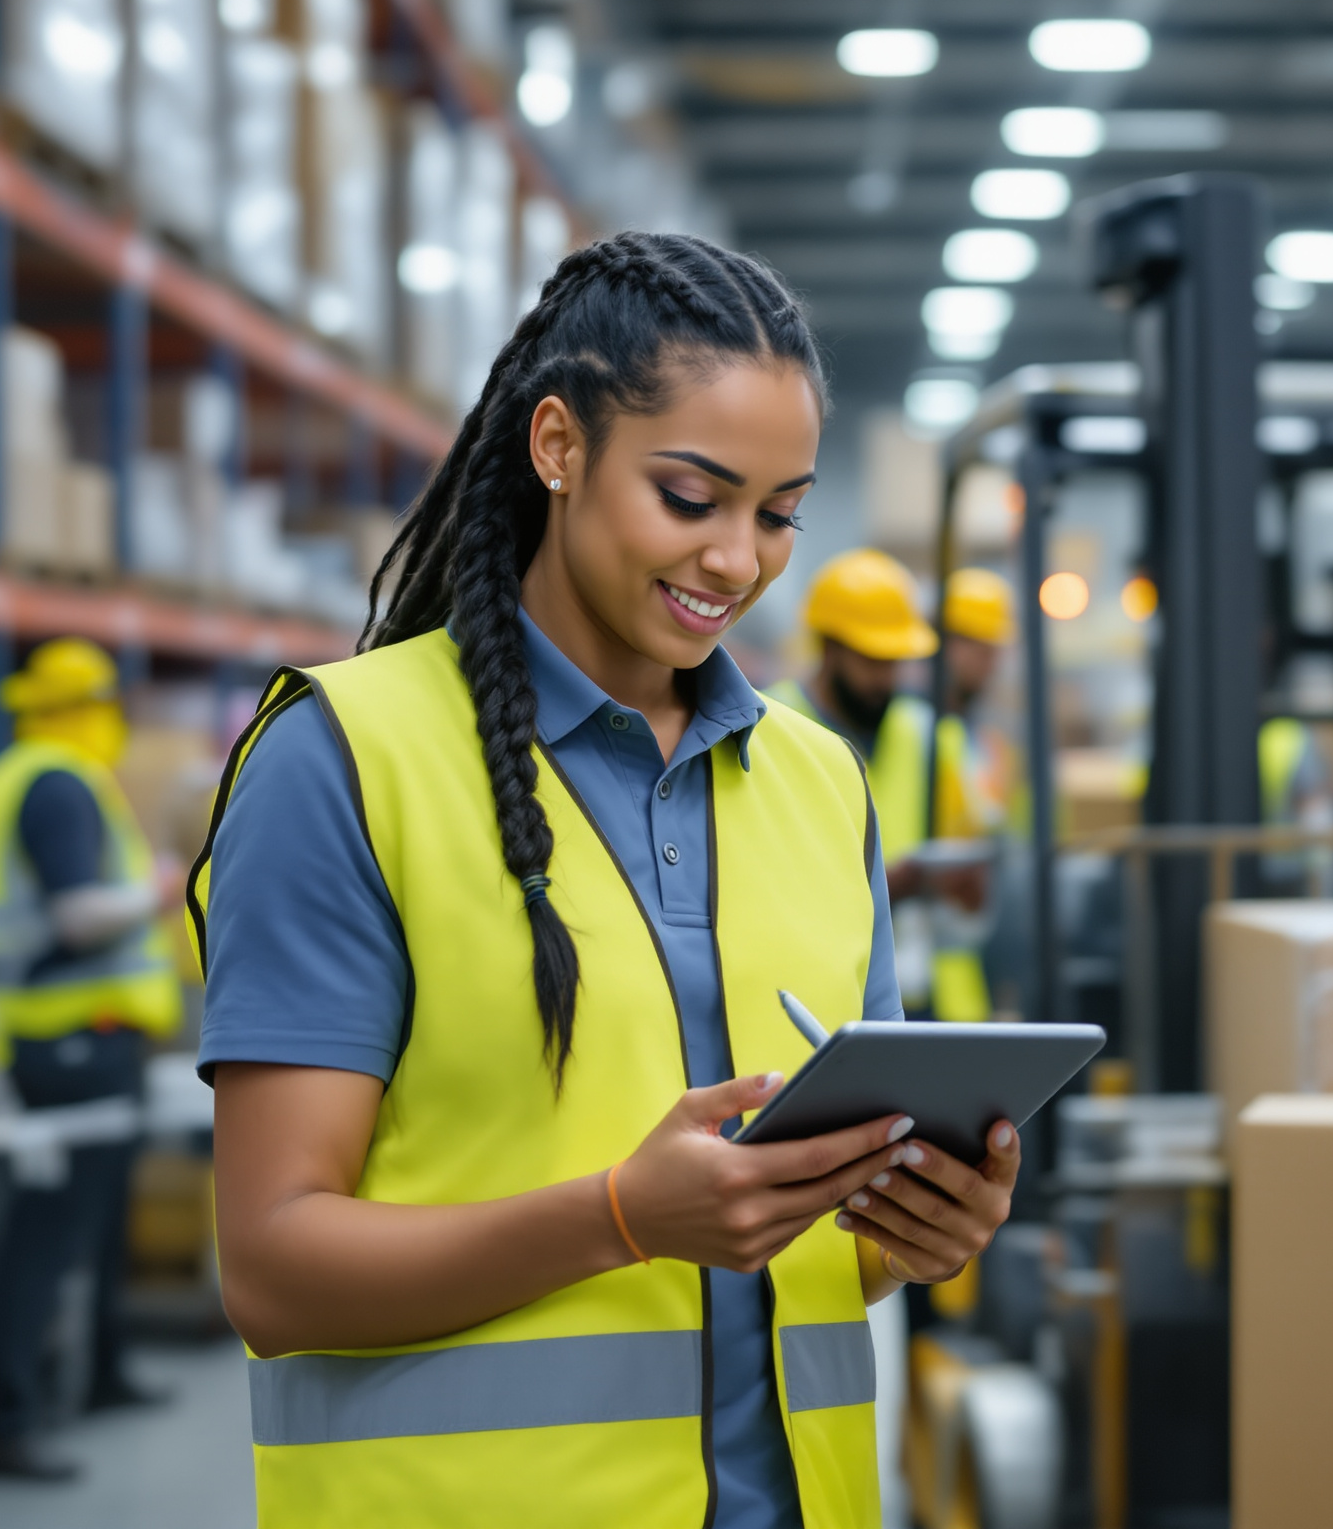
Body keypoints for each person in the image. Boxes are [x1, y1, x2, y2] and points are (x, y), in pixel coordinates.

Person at [191, 232, 1018, 1529]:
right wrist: (621, 1216)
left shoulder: (820, 783)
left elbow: (802, 1260)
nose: (737, 560)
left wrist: (915, 1228)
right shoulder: (345, 761)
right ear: (559, 446)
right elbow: (273, 1269)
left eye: (779, 514)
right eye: (691, 498)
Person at [0, 636, 181, 1481]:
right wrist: (156, 893)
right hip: (70, 1039)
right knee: (46, 1233)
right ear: (86, 709)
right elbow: (77, 916)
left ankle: (102, 1374)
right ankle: (2, 1422)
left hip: (69, 1036)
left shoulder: (24, 775)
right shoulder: (57, 785)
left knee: (97, 1217)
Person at [764, 547, 942, 903]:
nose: (885, 678)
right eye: (872, 660)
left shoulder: (919, 729)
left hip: (908, 936)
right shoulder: (765, 725)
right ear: (829, 647)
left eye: (894, 660)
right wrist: (881, 889)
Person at [920, 567, 1020, 1023]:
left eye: (994, 649)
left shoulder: (987, 741)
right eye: (977, 646)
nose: (989, 662)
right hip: (910, 955)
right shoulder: (911, 729)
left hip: (964, 961)